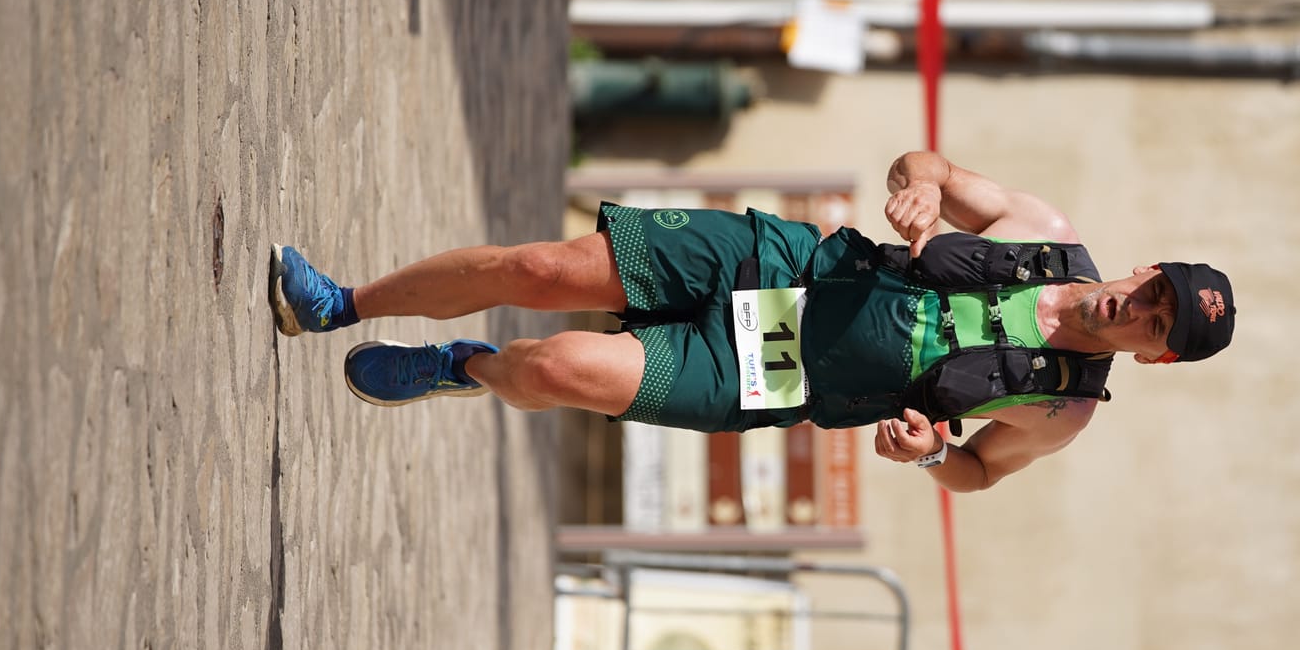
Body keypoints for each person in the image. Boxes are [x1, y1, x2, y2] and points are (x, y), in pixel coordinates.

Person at [269, 152, 1232, 492]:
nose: (1139, 309)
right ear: (1148, 267)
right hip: (784, 263)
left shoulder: (1062, 411)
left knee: (551, 368)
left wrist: (931, 454)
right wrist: (918, 191)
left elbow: (977, 471)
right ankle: (336, 304)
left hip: (771, 373)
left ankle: (462, 367)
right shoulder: (1043, 232)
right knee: (540, 268)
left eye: (1157, 326)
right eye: (1157, 290)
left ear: (1155, 358)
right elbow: (927, 164)